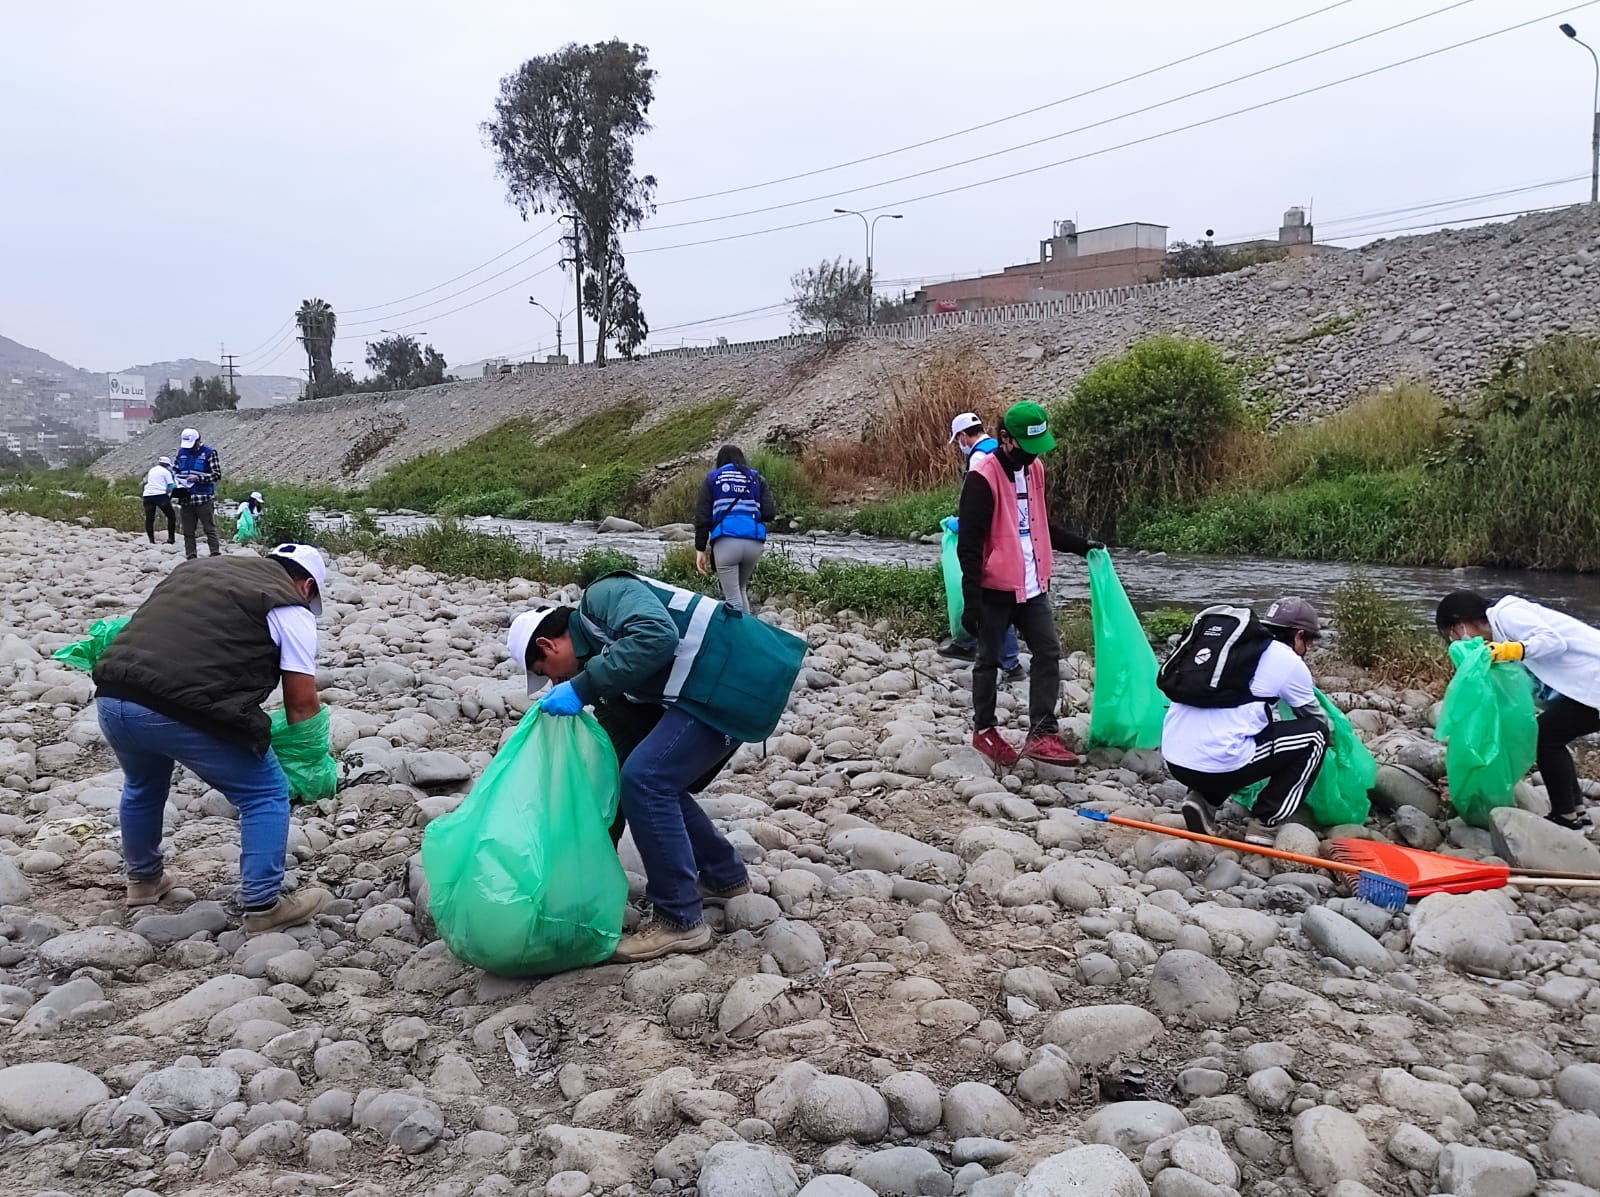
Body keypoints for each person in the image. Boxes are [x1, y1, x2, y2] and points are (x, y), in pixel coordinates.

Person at [506, 570, 805, 963]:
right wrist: (586, 865)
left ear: (547, 645)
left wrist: (581, 688)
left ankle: (680, 921)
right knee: (646, 776)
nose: (553, 682)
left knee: (646, 781)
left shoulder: (602, 598)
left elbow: (657, 636)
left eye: (546, 673)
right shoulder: (606, 663)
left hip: (739, 679)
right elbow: (612, 770)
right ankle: (722, 876)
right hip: (722, 685)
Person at [91, 544, 333, 932]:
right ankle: (264, 905)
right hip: (181, 708)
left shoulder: (197, 571)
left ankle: (144, 880)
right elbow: (301, 705)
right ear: (306, 586)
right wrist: (314, 757)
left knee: (141, 784)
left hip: (114, 696)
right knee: (265, 792)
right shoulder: (289, 607)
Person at [956, 401, 1102, 766]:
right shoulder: (982, 477)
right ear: (1005, 439)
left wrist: (1082, 547)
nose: (1031, 456)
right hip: (994, 588)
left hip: (1033, 584)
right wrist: (971, 600)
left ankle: (1042, 734)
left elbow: (1041, 525)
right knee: (987, 660)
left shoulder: (1035, 469)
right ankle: (984, 730)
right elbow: (969, 544)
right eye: (1026, 447)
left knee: (1048, 651)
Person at [1159, 597, 1330, 846]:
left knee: (1236, 731)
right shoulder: (1289, 661)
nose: (1307, 650)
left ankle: (1203, 800)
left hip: (1175, 760)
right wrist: (1339, 742)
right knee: (1315, 736)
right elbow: (1314, 717)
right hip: (1219, 765)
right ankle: (1266, 823)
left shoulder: (1230, 651)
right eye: (1309, 643)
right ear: (1299, 635)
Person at [1436, 590, 1600, 830]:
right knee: (1551, 735)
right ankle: (1577, 812)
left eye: (1452, 635)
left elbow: (1553, 641)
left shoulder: (1507, 613)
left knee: (1545, 737)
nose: (1456, 642)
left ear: (1460, 625)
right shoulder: (1499, 632)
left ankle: (1566, 817)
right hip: (1586, 686)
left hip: (1594, 682)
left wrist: (1508, 651)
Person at [939, 412, 1022, 681]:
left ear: (963, 436)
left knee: (993, 597)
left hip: (990, 537)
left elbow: (981, 500)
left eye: (958, 439)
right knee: (1005, 595)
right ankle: (981, 649)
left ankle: (1009, 663)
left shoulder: (978, 458)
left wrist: (962, 524)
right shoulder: (999, 449)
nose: (959, 444)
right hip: (1009, 532)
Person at [694, 446, 776, 613]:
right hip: (754, 543)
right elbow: (769, 514)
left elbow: (703, 517)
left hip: (726, 542)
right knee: (741, 589)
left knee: (732, 599)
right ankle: (748, 634)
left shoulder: (713, 478)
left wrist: (700, 549)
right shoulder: (756, 478)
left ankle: (738, 637)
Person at [173, 427, 223, 559]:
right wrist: (176, 480)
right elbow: (175, 470)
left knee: (209, 529)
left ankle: (215, 554)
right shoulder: (182, 452)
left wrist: (199, 478)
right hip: (186, 498)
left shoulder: (209, 453)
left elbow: (216, 475)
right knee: (188, 531)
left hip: (203, 498)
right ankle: (191, 556)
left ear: (198, 441)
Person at [141, 455, 177, 545]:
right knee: (171, 516)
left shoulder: (152, 470)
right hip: (160, 495)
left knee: (150, 518)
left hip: (147, 495)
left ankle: (151, 540)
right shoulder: (166, 472)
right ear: (167, 465)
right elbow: (171, 486)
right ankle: (171, 539)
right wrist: (169, 493)